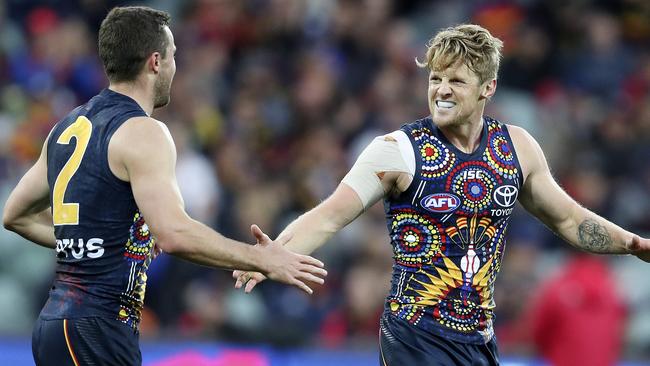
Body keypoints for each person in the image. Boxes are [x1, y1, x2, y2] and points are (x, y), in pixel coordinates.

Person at [234, 24, 650, 365]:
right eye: (435, 78)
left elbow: (570, 220)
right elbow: (329, 216)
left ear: (488, 87)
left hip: (479, 342)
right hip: (414, 339)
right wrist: (268, 255)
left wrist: (632, 244)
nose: (442, 90)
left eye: (456, 80)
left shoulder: (518, 148)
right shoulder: (396, 150)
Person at [2, 6, 326, 366]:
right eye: (174, 55)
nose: (175, 65)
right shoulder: (145, 132)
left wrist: (100, 240)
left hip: (56, 324)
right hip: (98, 327)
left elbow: (15, 215)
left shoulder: (66, 127)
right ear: (156, 62)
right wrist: (260, 258)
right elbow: (173, 234)